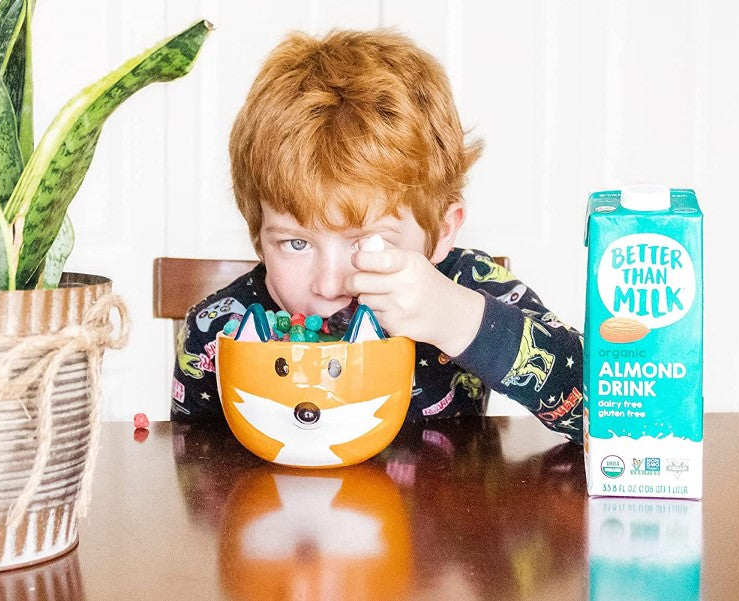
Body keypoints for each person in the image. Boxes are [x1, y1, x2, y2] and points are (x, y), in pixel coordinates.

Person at [169, 28, 584, 443]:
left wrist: (458, 319)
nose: (330, 286)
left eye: (370, 244)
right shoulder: (218, 330)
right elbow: (194, 471)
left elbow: (614, 413)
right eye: (296, 243)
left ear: (440, 232)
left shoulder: (465, 287)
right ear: (257, 234)